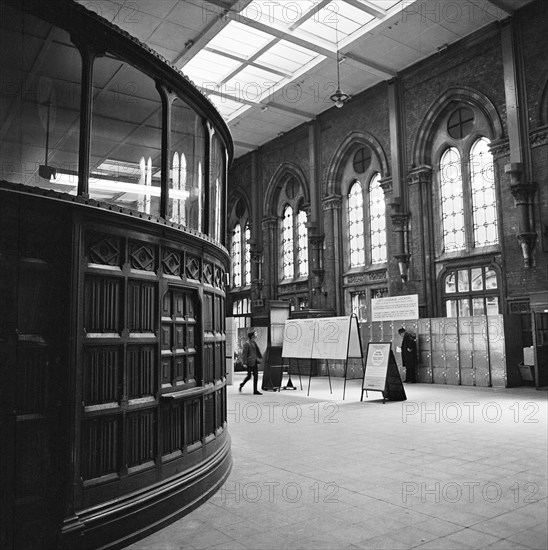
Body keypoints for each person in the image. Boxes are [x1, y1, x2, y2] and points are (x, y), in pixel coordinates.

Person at [239, 330, 263, 395]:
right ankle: (242, 384)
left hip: (254, 362)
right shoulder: (247, 343)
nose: (256, 335)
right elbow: (244, 354)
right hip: (249, 362)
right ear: (252, 336)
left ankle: (255, 390)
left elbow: (257, 351)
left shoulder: (254, 342)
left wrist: (260, 357)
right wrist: (244, 363)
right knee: (249, 376)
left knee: (256, 376)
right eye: (255, 334)